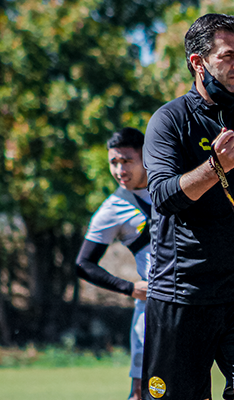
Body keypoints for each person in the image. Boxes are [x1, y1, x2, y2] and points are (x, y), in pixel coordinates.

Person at [141, 13, 234, 400]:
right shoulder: (168, 122)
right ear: (198, 62)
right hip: (182, 297)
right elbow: (163, 197)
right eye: (228, 55)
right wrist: (215, 167)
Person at [75, 127, 152, 400]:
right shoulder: (112, 209)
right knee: (140, 392)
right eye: (114, 163)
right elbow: (84, 264)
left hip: (197, 302)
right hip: (152, 309)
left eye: (127, 161)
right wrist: (130, 288)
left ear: (146, 156)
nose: (120, 170)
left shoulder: (175, 185)